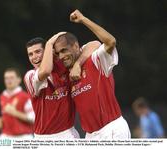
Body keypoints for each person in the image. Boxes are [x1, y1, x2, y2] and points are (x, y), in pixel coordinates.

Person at [54, 10, 131, 139]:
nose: (61, 56)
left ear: (75, 46)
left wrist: (83, 19)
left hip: (112, 130)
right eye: (58, 53)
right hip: (90, 136)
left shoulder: (96, 60)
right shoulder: (66, 73)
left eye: (64, 50)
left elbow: (110, 41)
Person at [24, 33, 100, 139]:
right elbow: (45, 71)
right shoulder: (30, 76)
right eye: (30, 54)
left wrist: (78, 63)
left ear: (47, 52)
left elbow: (95, 44)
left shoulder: (64, 65)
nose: (34, 57)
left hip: (68, 134)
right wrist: (50, 43)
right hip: (44, 139)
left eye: (38, 52)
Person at [0, 68, 35, 138]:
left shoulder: (25, 97)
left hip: (23, 137)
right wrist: (0, 121)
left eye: (12, 78)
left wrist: (15, 112)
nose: (8, 80)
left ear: (19, 80)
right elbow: (5, 115)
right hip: (5, 136)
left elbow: (33, 118)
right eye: (6, 78)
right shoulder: (2, 96)